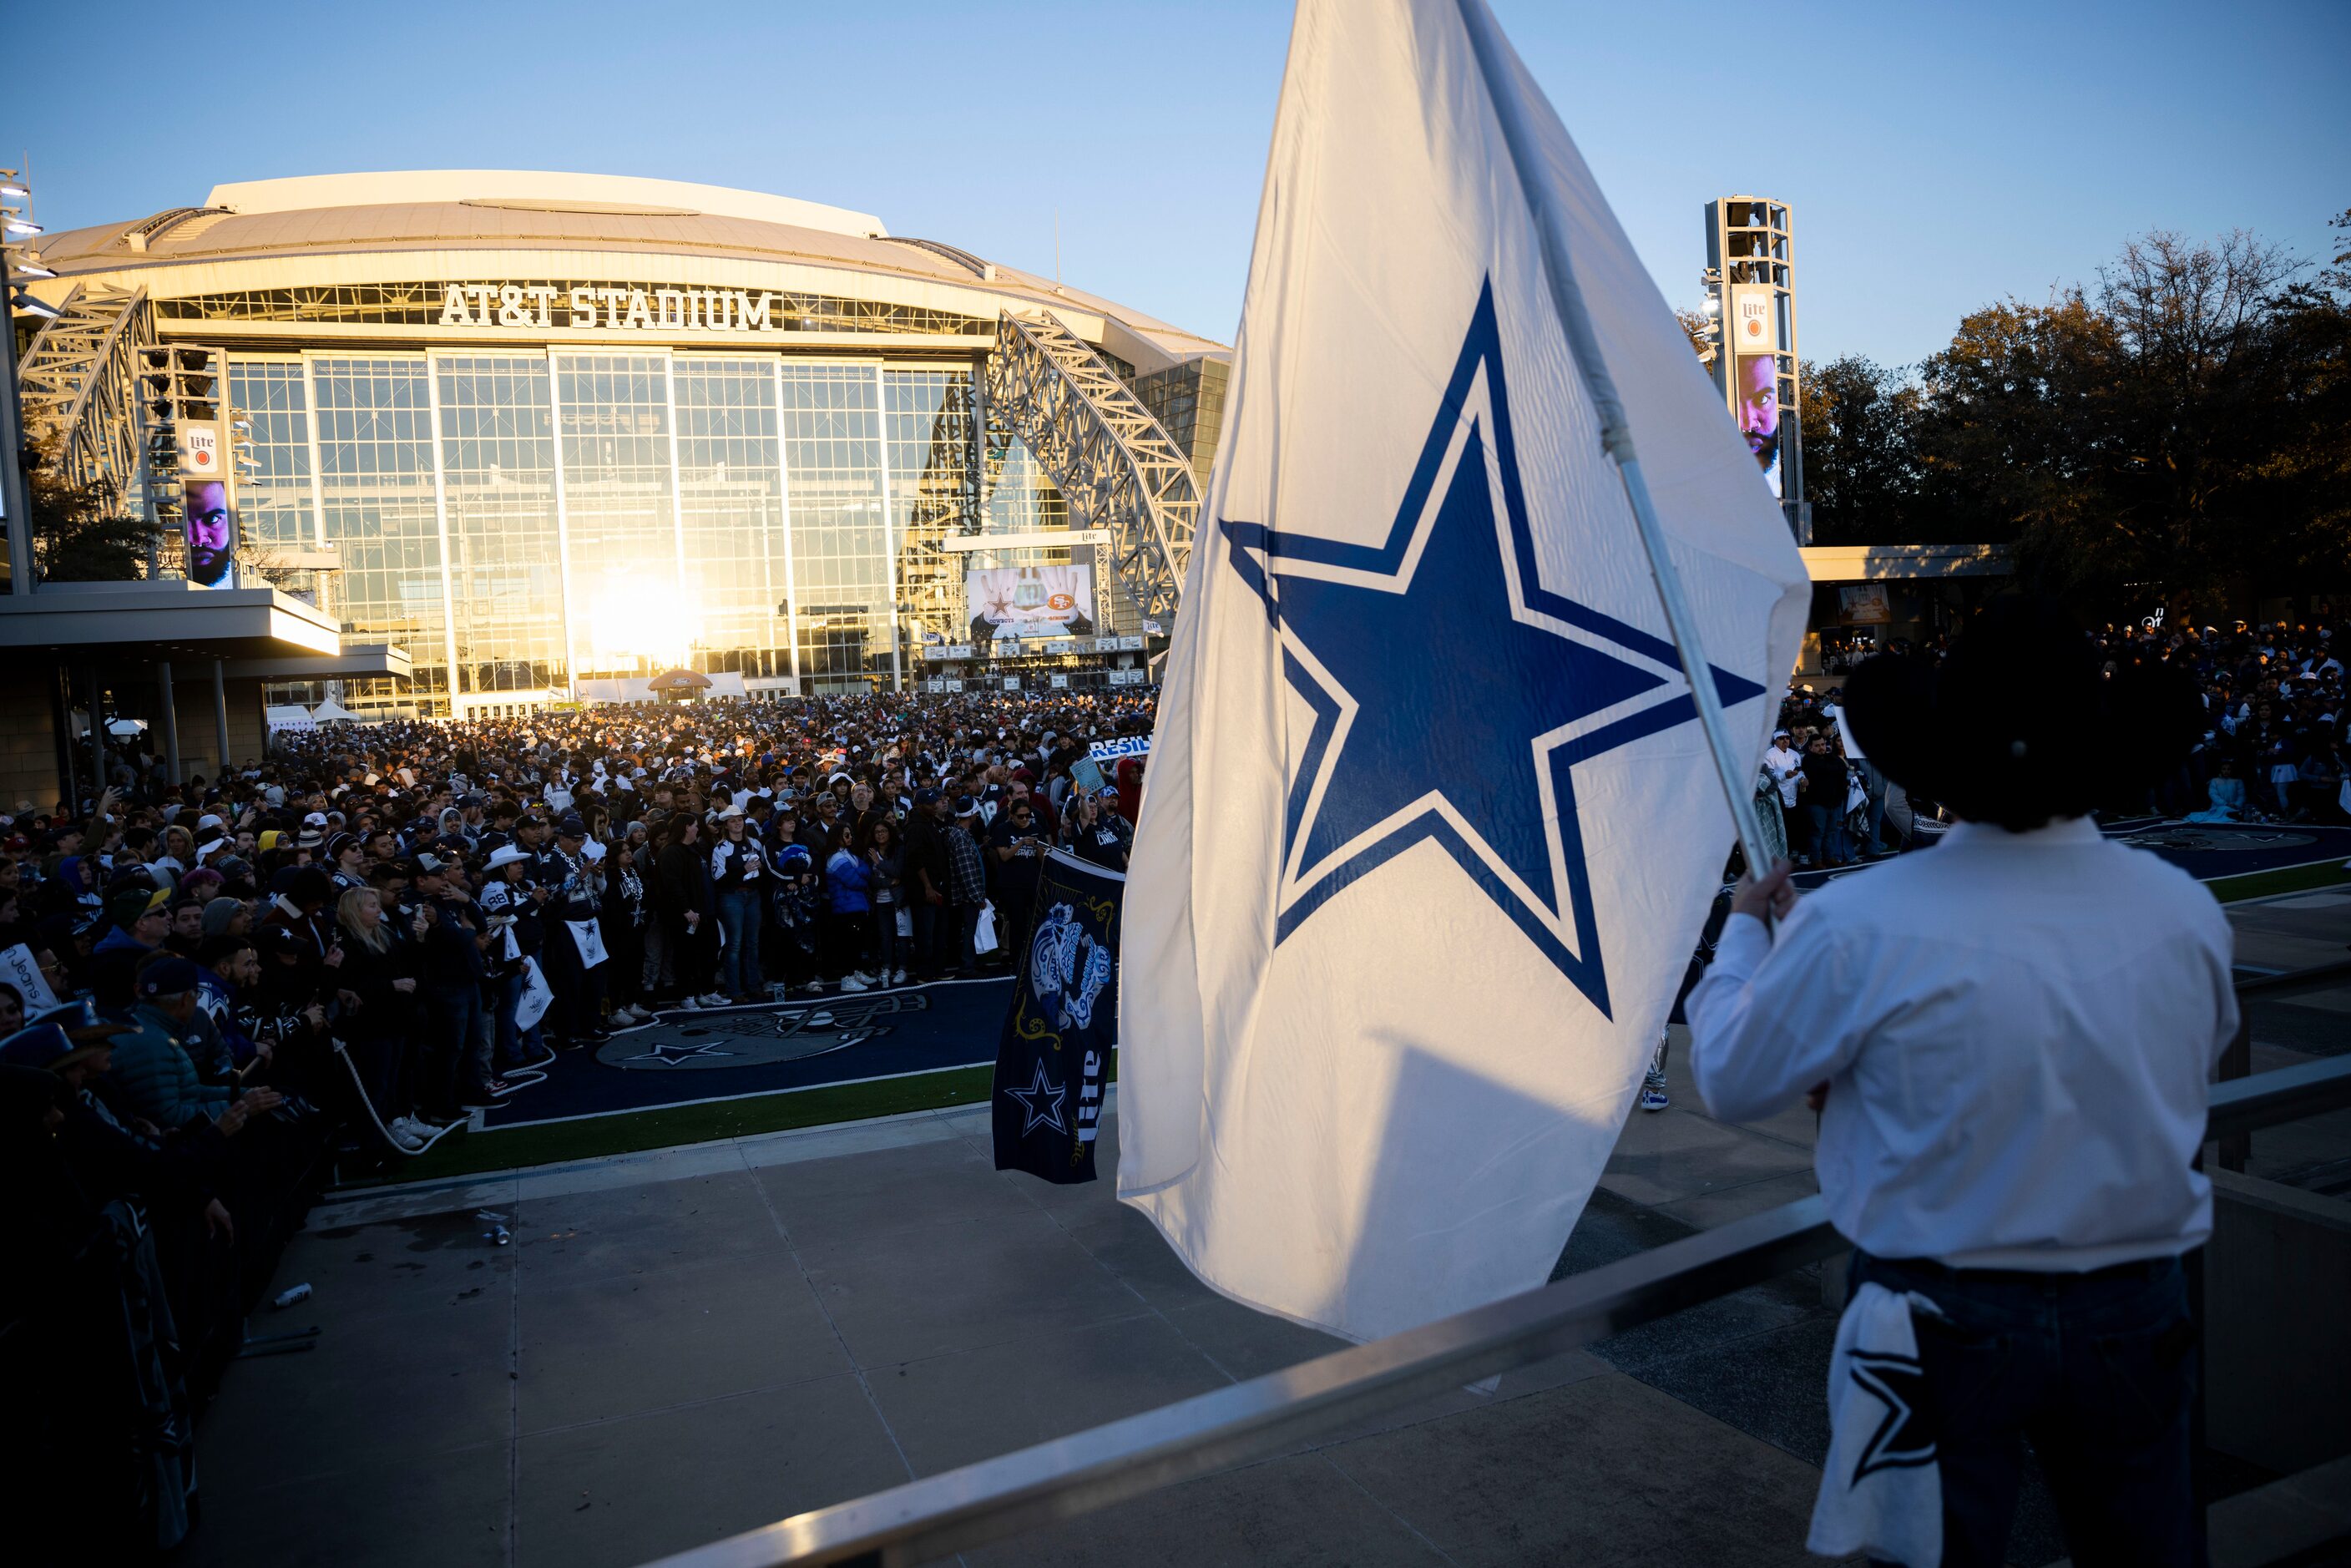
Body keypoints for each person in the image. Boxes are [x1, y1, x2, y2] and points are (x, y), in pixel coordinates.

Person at [1688, 599, 2224, 1568]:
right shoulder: (2181, 912)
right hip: (2132, 1304)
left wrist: (1741, 933)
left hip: (1934, 1312)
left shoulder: (1856, 923)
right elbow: (2170, 1069)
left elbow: (1729, 1077)